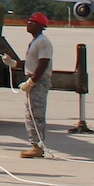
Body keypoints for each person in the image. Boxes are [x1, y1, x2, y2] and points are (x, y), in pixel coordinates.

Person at [18, 12, 54, 158]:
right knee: (30, 113)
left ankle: (37, 146)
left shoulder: (43, 42)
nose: (28, 24)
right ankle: (34, 144)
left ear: (39, 25)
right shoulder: (35, 41)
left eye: (32, 22)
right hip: (34, 79)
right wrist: (14, 63)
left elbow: (43, 63)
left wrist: (32, 81)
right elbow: (31, 63)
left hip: (38, 81)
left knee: (36, 114)